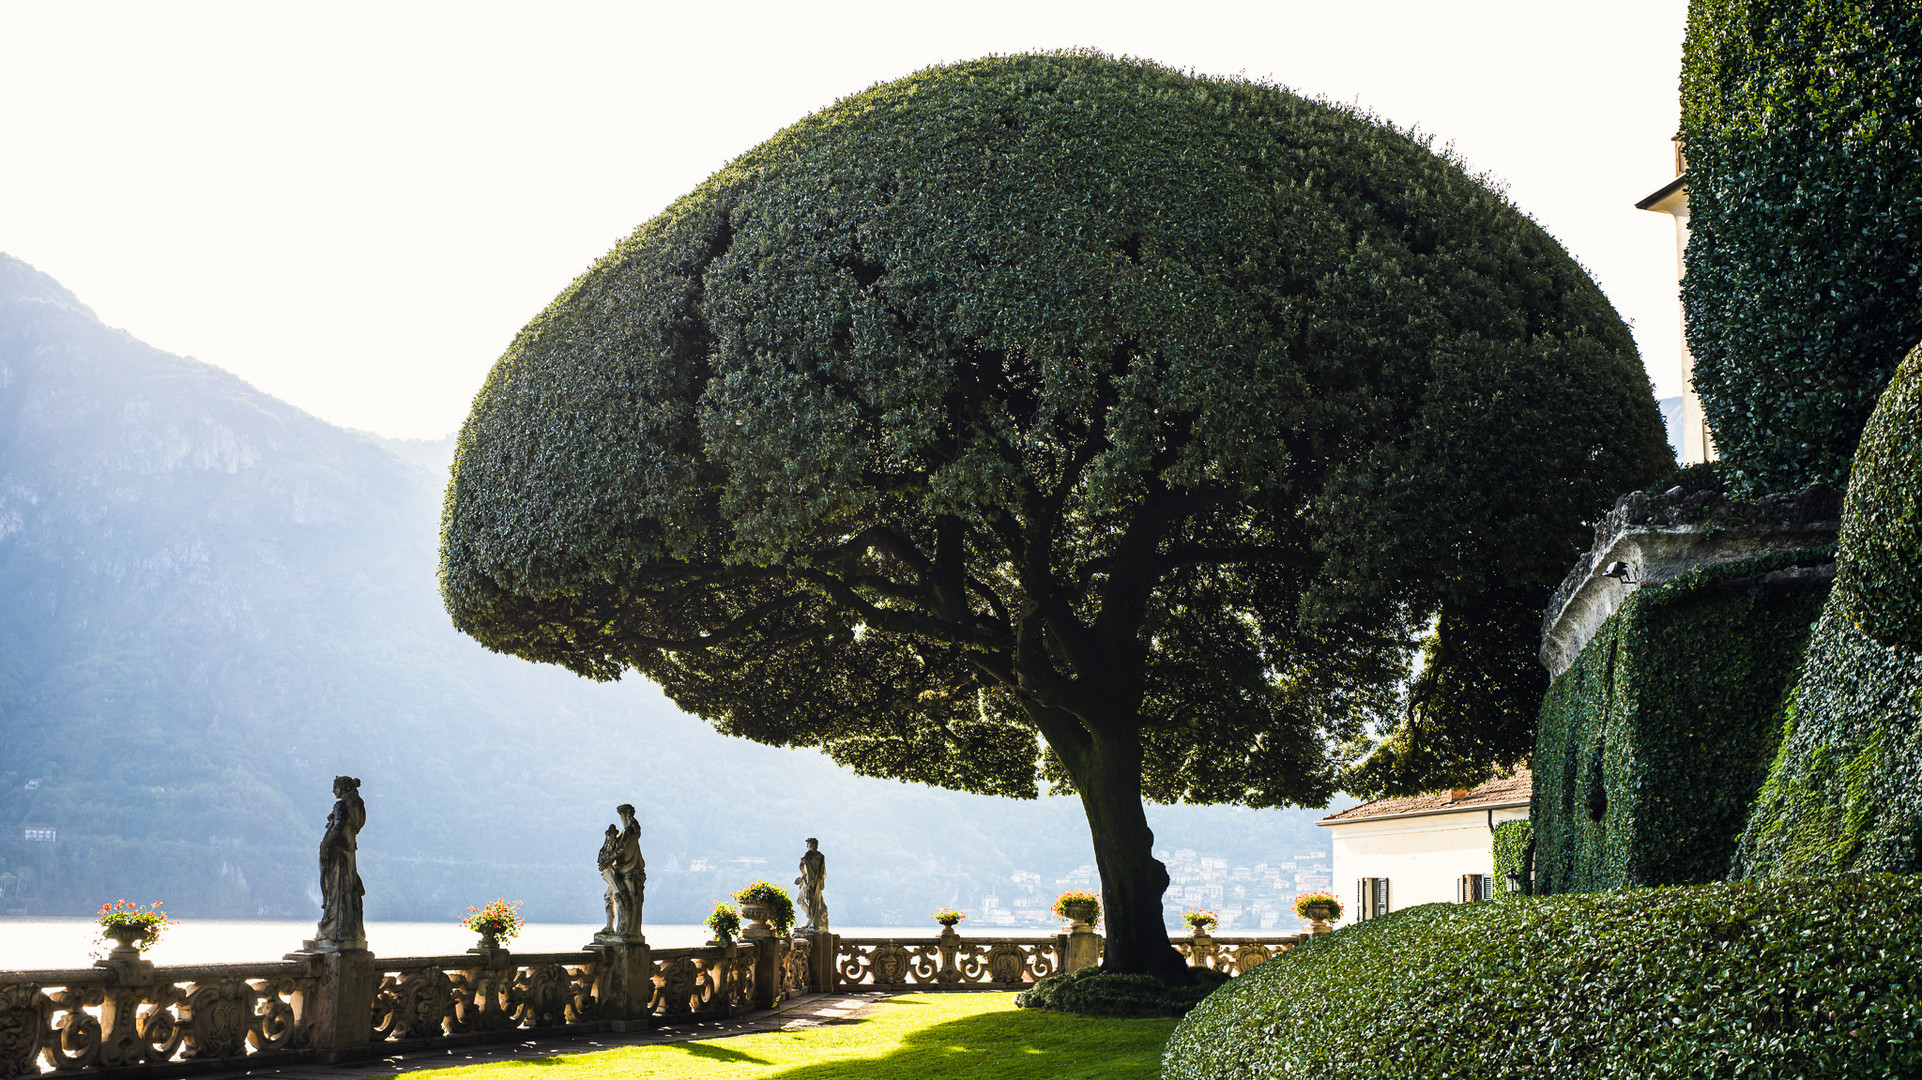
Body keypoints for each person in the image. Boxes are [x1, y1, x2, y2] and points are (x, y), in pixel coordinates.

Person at [315, 775, 366, 949]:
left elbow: (337, 827)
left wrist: (325, 846)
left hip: (338, 854)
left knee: (335, 890)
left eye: (335, 787)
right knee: (348, 890)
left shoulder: (340, 806)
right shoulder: (358, 806)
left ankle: (334, 929)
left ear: (342, 788)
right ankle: (350, 930)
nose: (333, 791)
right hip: (350, 853)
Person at [795, 837, 828, 933]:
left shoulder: (808, 854)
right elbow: (823, 872)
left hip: (808, 882)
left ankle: (811, 920)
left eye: (808, 844)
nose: (807, 846)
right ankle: (811, 920)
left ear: (810, 844)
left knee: (802, 901)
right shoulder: (821, 856)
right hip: (816, 882)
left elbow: (801, 864)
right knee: (812, 902)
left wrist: (803, 874)